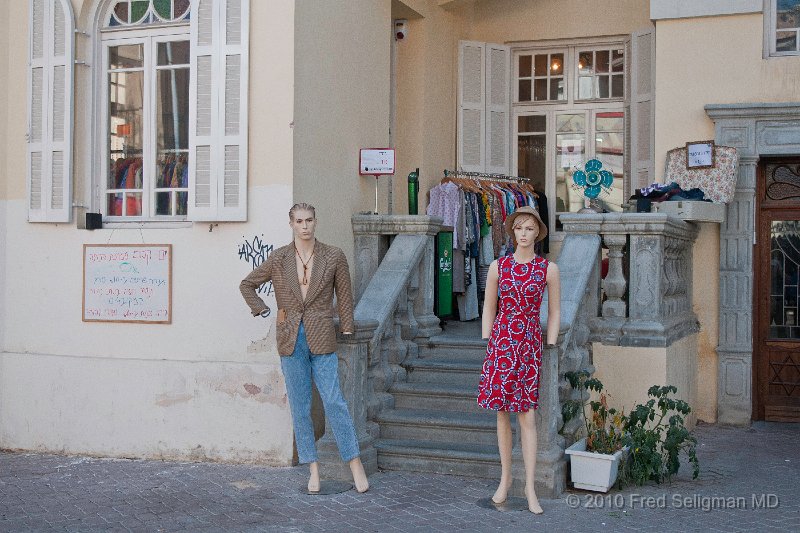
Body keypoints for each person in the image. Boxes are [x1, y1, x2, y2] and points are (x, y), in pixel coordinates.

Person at [239, 203, 369, 493]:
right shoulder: (279, 258)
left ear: (316, 222)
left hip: (322, 336)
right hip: (290, 339)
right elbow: (247, 284)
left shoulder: (333, 256)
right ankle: (313, 469)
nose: (305, 226)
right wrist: (260, 309)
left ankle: (355, 463)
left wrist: (347, 326)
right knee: (301, 407)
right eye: (299, 221)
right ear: (291, 224)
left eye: (309, 220)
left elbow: (345, 296)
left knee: (334, 400)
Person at [476, 205, 560, 514]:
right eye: (519, 228)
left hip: (528, 343)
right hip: (501, 342)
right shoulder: (499, 266)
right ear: (513, 232)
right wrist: (488, 338)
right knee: (501, 414)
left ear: (538, 232)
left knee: (527, 414)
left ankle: (529, 487)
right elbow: (489, 306)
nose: (523, 234)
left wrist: (550, 342)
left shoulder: (547, 269)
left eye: (529, 228)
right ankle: (505, 479)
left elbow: (554, 311)